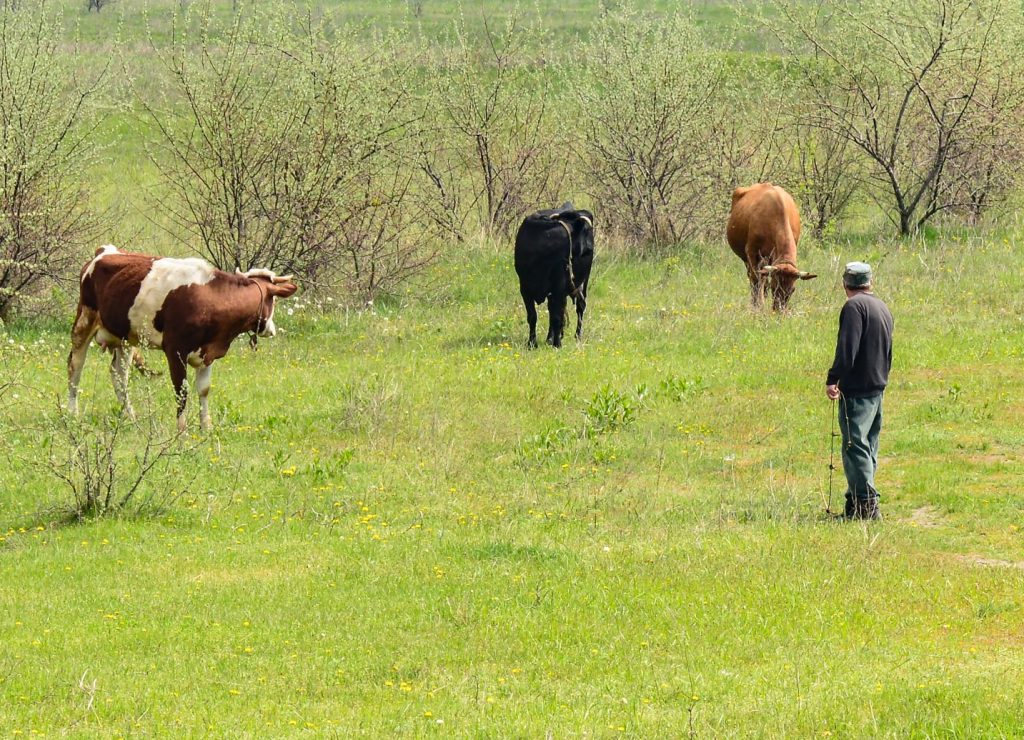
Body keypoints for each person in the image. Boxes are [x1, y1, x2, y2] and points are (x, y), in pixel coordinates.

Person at [826, 262, 893, 520]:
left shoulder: (854, 307)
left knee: (855, 447)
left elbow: (847, 349)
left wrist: (834, 378)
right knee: (868, 447)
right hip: (877, 386)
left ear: (845, 284)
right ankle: (855, 505)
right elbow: (889, 350)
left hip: (857, 390)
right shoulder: (882, 307)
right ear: (869, 283)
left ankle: (866, 507)